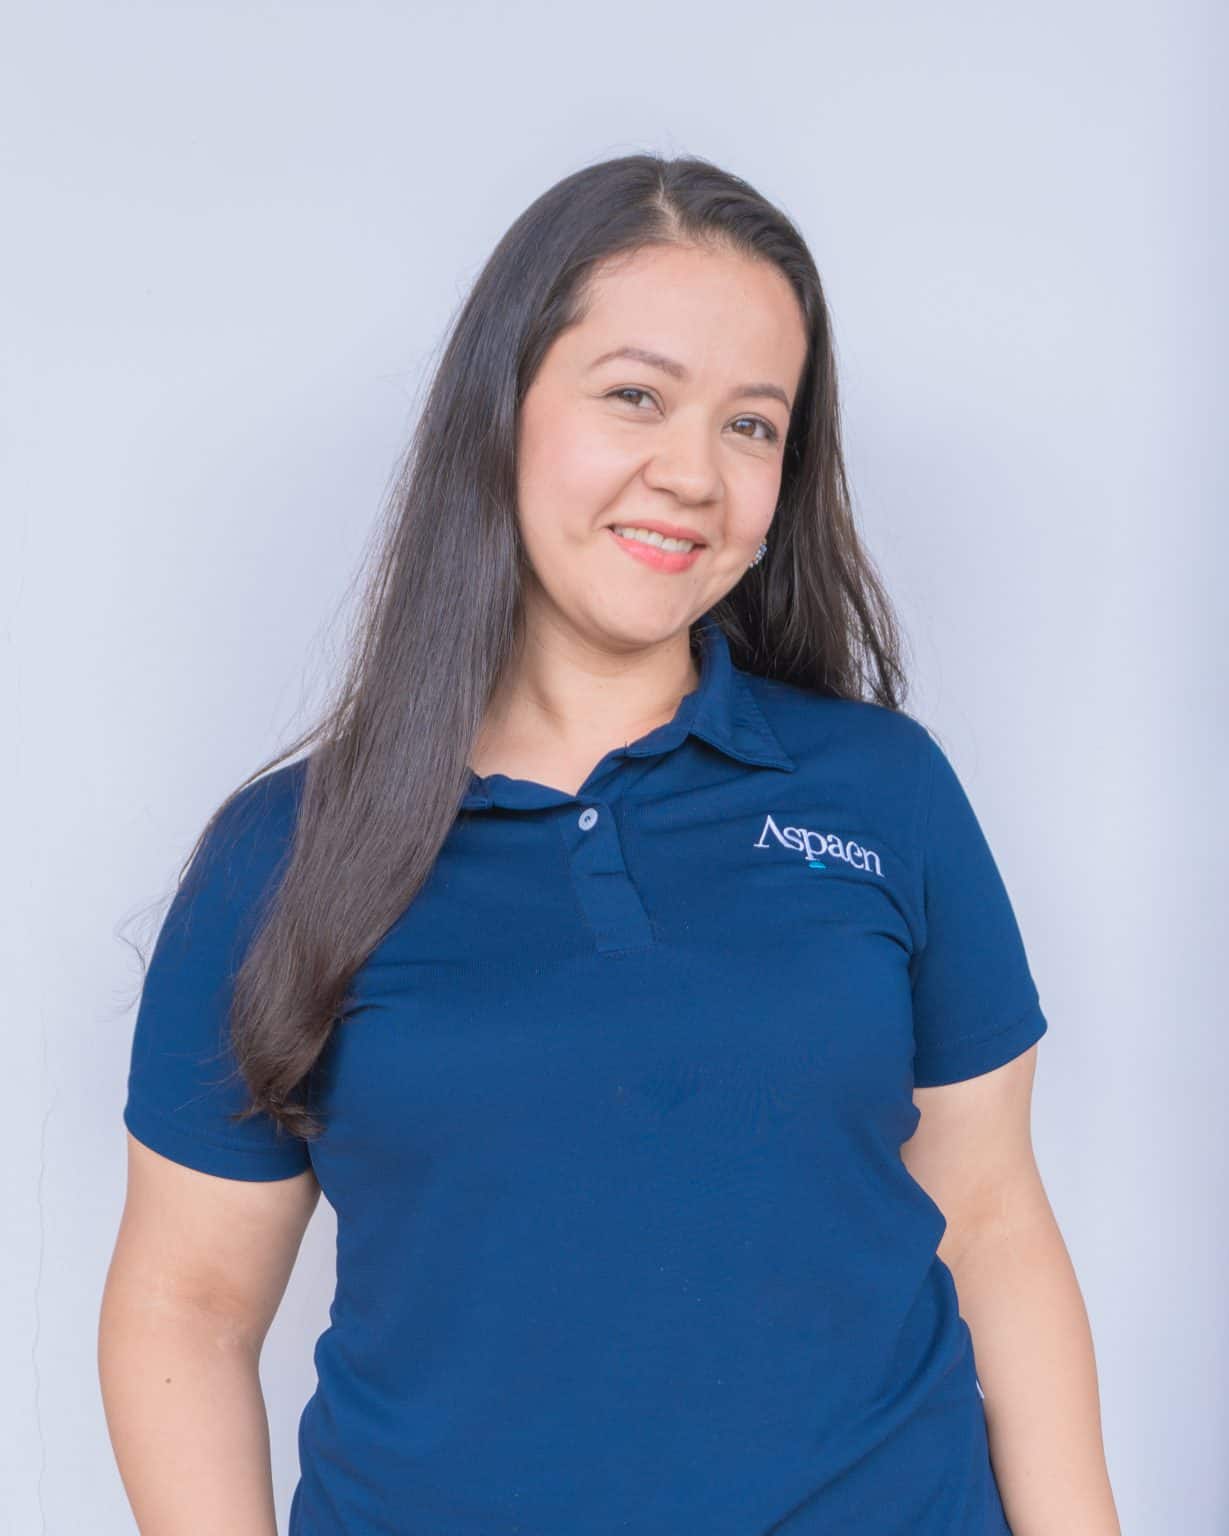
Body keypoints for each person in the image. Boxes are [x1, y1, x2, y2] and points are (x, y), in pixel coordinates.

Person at [98, 153, 1120, 1535]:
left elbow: (991, 1218)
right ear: (501, 407)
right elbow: (189, 1305)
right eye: (635, 395)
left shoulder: (882, 790)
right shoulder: (282, 860)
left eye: (751, 425)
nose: (692, 474)